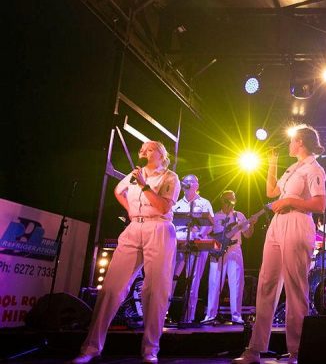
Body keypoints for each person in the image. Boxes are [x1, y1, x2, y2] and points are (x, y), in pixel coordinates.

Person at [71, 141, 180, 364]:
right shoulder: (134, 174)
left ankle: (150, 350)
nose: (145, 150)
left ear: (161, 154)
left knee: (155, 291)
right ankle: (91, 347)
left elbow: (164, 207)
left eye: (150, 148)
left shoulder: (170, 176)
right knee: (110, 288)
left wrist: (144, 186)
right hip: (134, 228)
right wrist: (130, 208)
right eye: (143, 148)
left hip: (159, 227)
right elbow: (117, 190)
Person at [233, 125, 326, 364]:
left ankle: (297, 351)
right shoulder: (293, 167)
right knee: (266, 283)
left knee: (295, 287)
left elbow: (319, 205)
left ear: (301, 143)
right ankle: (254, 349)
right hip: (278, 224)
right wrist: (272, 162)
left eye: (292, 141)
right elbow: (271, 191)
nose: (289, 145)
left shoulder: (314, 168)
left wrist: (291, 201)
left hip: (297, 223)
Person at [203, 190, 254, 324]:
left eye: (233, 200)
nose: (230, 202)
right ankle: (210, 315)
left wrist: (252, 223)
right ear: (222, 200)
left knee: (236, 282)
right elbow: (207, 234)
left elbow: (248, 235)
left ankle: (236, 316)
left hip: (235, 249)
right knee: (214, 282)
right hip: (218, 251)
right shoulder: (215, 217)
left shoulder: (239, 216)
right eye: (227, 200)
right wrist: (214, 245)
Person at [171, 174, 214, 323]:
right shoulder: (176, 204)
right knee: (171, 278)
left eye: (191, 181)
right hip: (178, 243)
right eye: (185, 182)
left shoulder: (204, 202)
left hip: (197, 242)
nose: (187, 183)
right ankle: (163, 314)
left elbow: (210, 224)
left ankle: (188, 318)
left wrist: (200, 236)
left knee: (193, 280)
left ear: (197, 185)